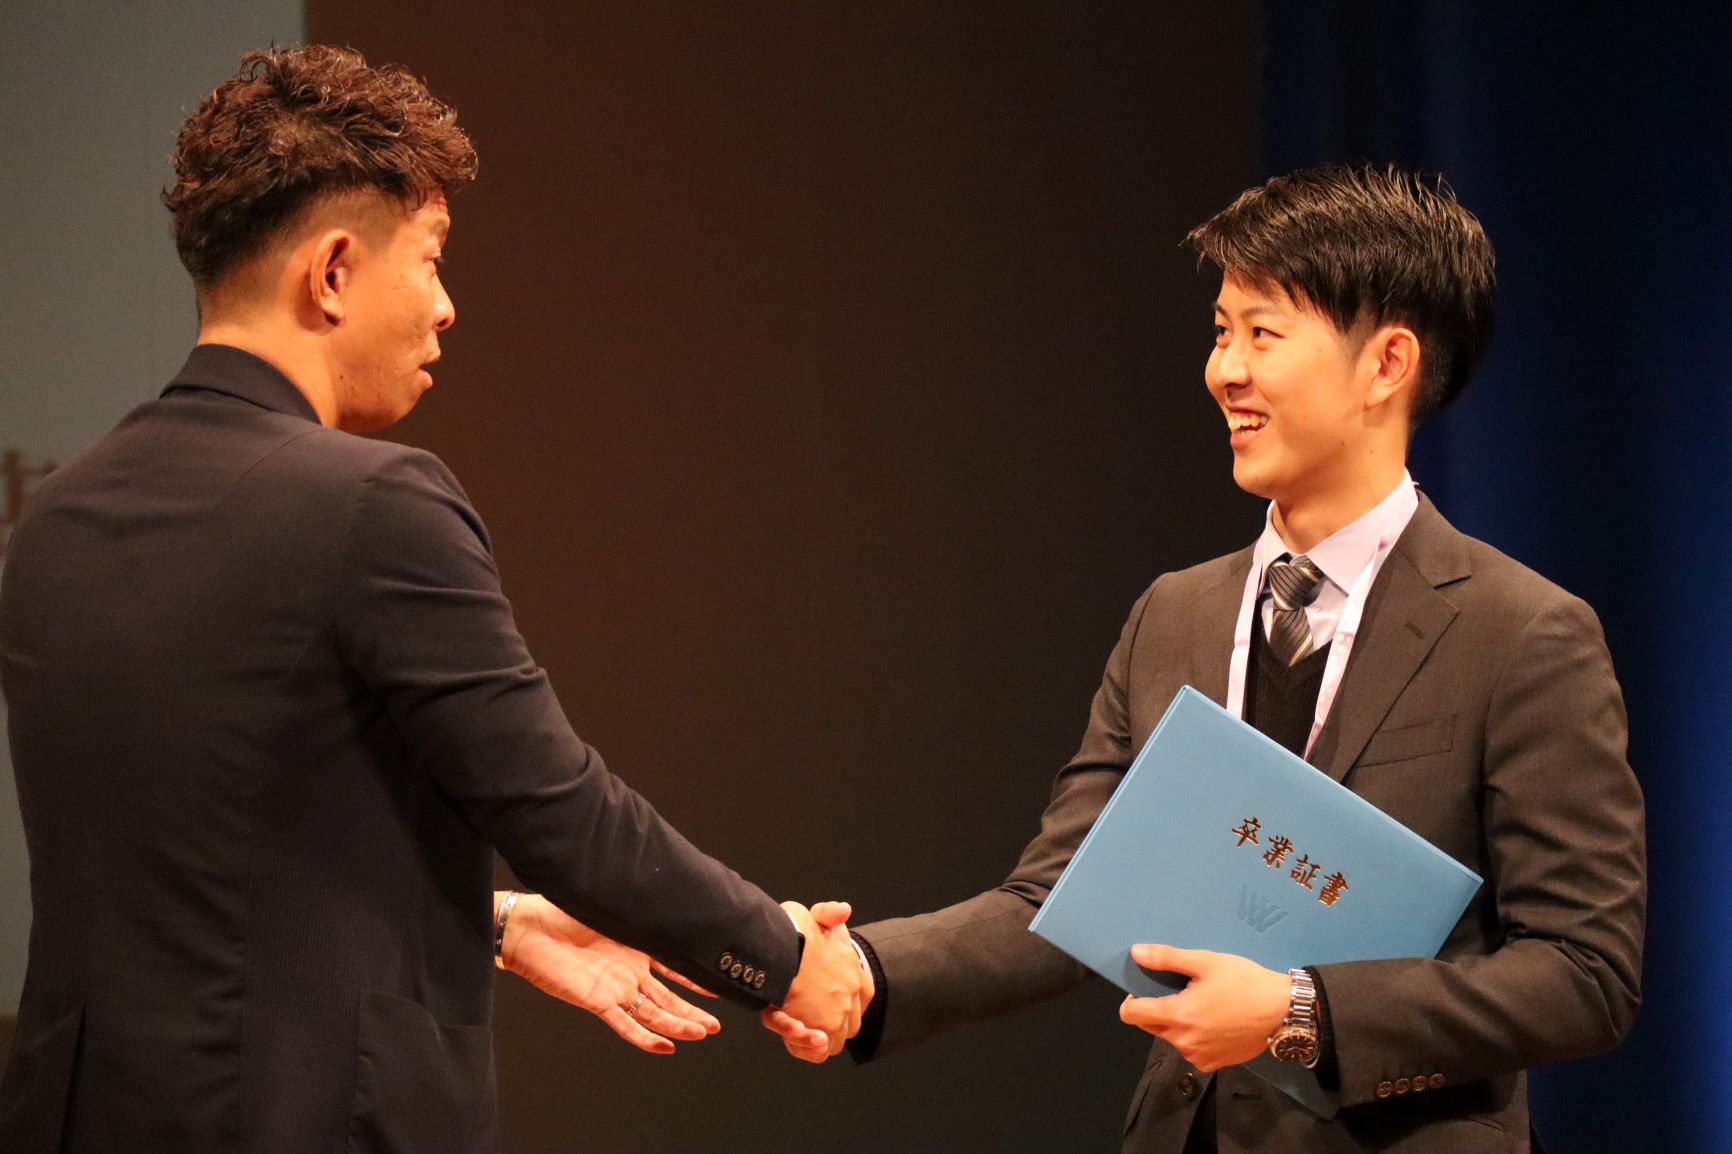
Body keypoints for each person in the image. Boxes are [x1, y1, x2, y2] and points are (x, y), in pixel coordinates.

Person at [0, 45, 866, 1154]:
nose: (448, 308)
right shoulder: (374, 503)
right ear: (333, 271)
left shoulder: (56, 517)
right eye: (432, 259)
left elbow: (203, 861)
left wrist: (498, 924)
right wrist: (787, 960)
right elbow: (563, 815)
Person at [767, 165, 1646, 1153]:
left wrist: (1301, 1012)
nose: (1224, 369)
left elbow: (1584, 972)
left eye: (1262, 333)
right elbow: (1060, 894)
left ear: (1386, 364)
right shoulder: (1174, 614)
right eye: (1221, 331)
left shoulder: (1520, 632)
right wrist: (862, 971)